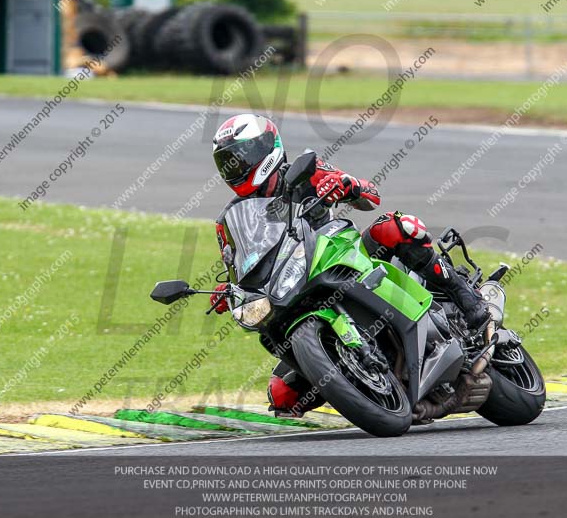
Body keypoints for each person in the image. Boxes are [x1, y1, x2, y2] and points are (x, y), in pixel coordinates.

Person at [208, 114, 489, 417]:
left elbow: (371, 196)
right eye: (227, 164)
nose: (234, 168)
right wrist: (230, 290)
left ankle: (464, 295)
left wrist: (346, 185)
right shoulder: (229, 220)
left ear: (265, 148)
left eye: (240, 158)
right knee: (282, 394)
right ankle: (362, 387)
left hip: (345, 257)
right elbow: (242, 264)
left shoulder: (305, 172)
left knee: (395, 227)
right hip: (293, 288)